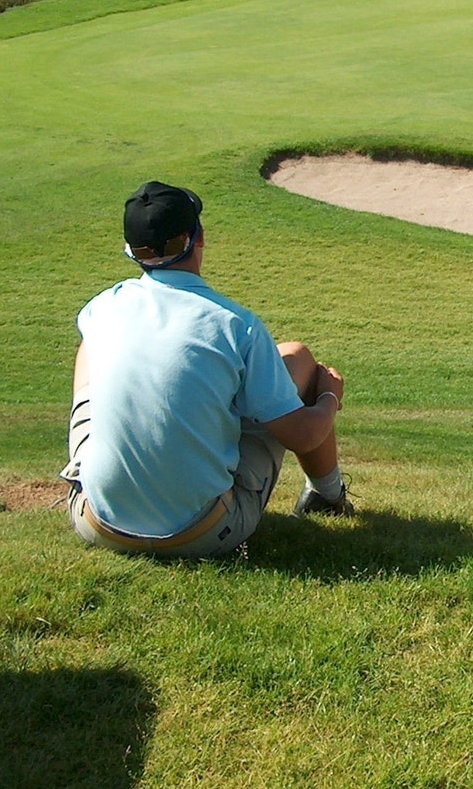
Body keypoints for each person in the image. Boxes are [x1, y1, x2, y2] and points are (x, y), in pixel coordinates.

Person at [61, 181, 353, 558]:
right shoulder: (236, 326)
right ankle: (327, 496)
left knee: (91, 346)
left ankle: (103, 479)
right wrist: (329, 395)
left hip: (97, 525)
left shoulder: (101, 308)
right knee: (296, 359)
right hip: (205, 533)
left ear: (131, 251)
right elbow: (303, 435)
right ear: (198, 238)